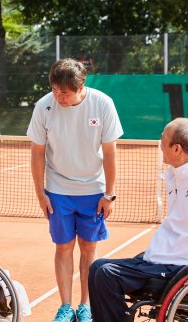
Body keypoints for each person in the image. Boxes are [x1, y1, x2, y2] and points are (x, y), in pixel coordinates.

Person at [27, 58, 123, 322]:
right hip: (58, 190)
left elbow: (110, 153)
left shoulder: (103, 104)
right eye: (55, 90)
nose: (58, 97)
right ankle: (66, 307)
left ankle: (85, 306)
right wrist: (41, 193)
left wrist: (109, 194)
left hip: (94, 190)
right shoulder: (44, 106)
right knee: (63, 247)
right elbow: (37, 153)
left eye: (64, 92)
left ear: (82, 87)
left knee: (89, 248)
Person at [89, 118, 188, 322]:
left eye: (163, 137)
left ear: (176, 149)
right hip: (159, 258)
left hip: (174, 266)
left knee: (106, 274)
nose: (159, 142)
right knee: (97, 267)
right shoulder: (176, 175)